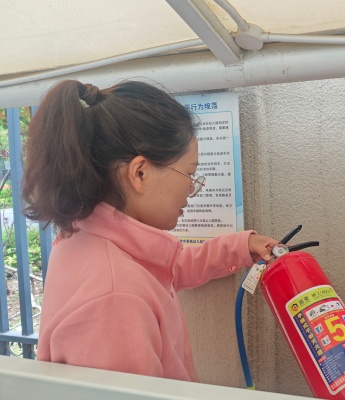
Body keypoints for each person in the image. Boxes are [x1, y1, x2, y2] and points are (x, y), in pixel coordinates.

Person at [22, 80, 279, 382]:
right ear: (140, 173)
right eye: (190, 173)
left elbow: (166, 270)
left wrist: (240, 247)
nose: (193, 188)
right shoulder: (115, 298)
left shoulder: (86, 238)